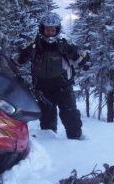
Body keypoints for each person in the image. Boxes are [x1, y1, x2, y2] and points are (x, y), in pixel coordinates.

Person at [18, 12, 89, 140]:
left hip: (63, 88)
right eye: (47, 30)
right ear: (42, 29)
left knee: (71, 117)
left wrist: (74, 52)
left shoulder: (65, 45)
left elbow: (84, 61)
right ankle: (50, 148)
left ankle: (78, 144)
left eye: (52, 30)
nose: (50, 33)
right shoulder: (34, 45)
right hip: (43, 90)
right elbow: (17, 61)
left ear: (57, 30)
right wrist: (23, 54)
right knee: (47, 123)